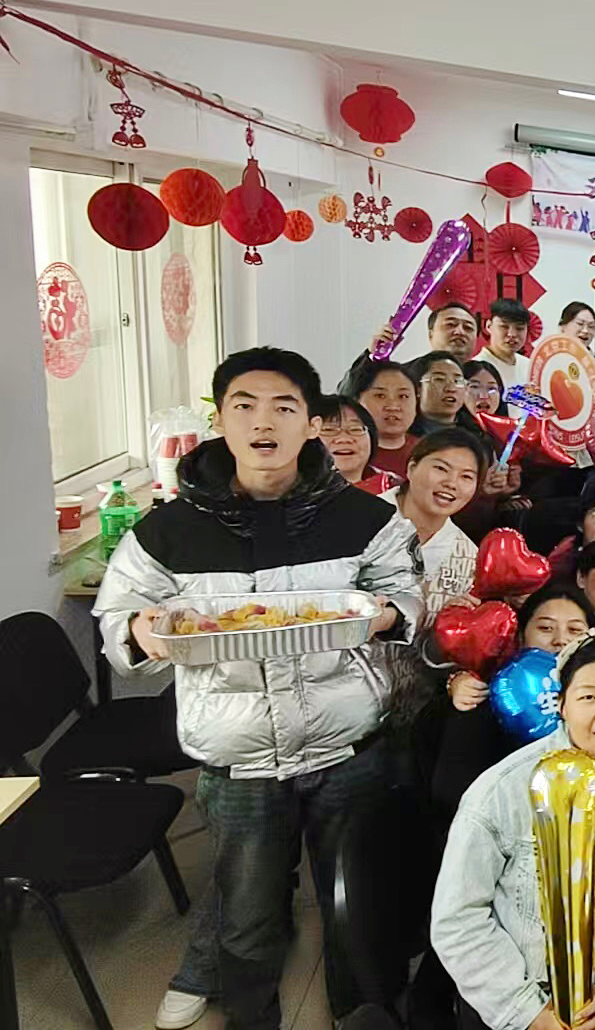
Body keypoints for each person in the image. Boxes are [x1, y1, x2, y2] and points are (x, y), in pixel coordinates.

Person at [98, 347, 421, 1030]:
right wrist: (139, 629)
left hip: (347, 743)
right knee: (246, 912)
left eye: (284, 407)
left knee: (357, 897)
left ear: (312, 423)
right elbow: (119, 615)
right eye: (244, 406)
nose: (263, 423)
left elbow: (404, 590)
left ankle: (360, 1010)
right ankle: (251, 1016)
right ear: (221, 420)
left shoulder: (364, 518)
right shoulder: (168, 529)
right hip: (238, 755)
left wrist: (390, 614)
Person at [431, 631, 595, 1030]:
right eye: (588, 697)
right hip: (520, 998)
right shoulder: (503, 790)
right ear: (562, 704)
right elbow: (457, 920)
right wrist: (529, 1013)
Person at [432, 585, 595, 813]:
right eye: (546, 628)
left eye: (575, 630)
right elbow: (453, 795)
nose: (560, 640)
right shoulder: (481, 700)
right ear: (521, 636)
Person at [386, 428, 488, 619]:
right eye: (441, 469)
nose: (451, 483)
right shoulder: (360, 518)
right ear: (411, 468)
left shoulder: (469, 557)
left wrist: (446, 621)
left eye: (466, 477)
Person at [339, 302, 479, 393]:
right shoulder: (407, 374)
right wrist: (372, 358)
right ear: (431, 334)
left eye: (468, 328)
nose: (459, 331)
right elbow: (348, 395)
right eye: (450, 324)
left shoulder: (484, 377)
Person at [349, 358, 420, 478]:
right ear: (357, 401)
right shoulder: (343, 453)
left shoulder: (431, 451)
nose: (393, 406)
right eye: (380, 395)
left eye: (403, 396)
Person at [315, 394, 393, 494]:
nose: (344, 439)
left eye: (355, 429)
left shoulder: (398, 492)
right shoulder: (296, 497)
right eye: (329, 430)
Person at [411, 351, 479, 433]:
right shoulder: (402, 433)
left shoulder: (478, 433)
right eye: (439, 379)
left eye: (457, 381)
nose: (451, 388)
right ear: (418, 389)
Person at [474, 298, 532, 390]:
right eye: (504, 326)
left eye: (519, 328)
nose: (512, 334)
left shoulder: (530, 367)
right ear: (488, 326)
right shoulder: (476, 368)